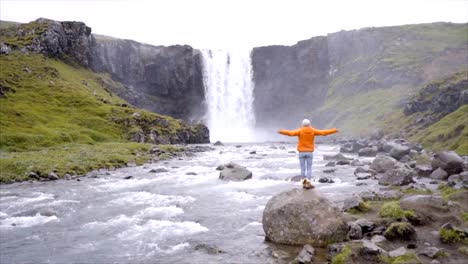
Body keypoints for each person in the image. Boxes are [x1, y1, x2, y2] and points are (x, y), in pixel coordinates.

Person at [278, 119, 338, 189]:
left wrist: (281, 131)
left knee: (303, 169)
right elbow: (324, 133)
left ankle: (304, 183)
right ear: (309, 124)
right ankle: (308, 183)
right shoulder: (313, 130)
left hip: (301, 152)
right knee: (309, 169)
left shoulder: (300, 131)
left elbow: (290, 133)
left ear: (302, 124)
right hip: (309, 152)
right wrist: (334, 130)